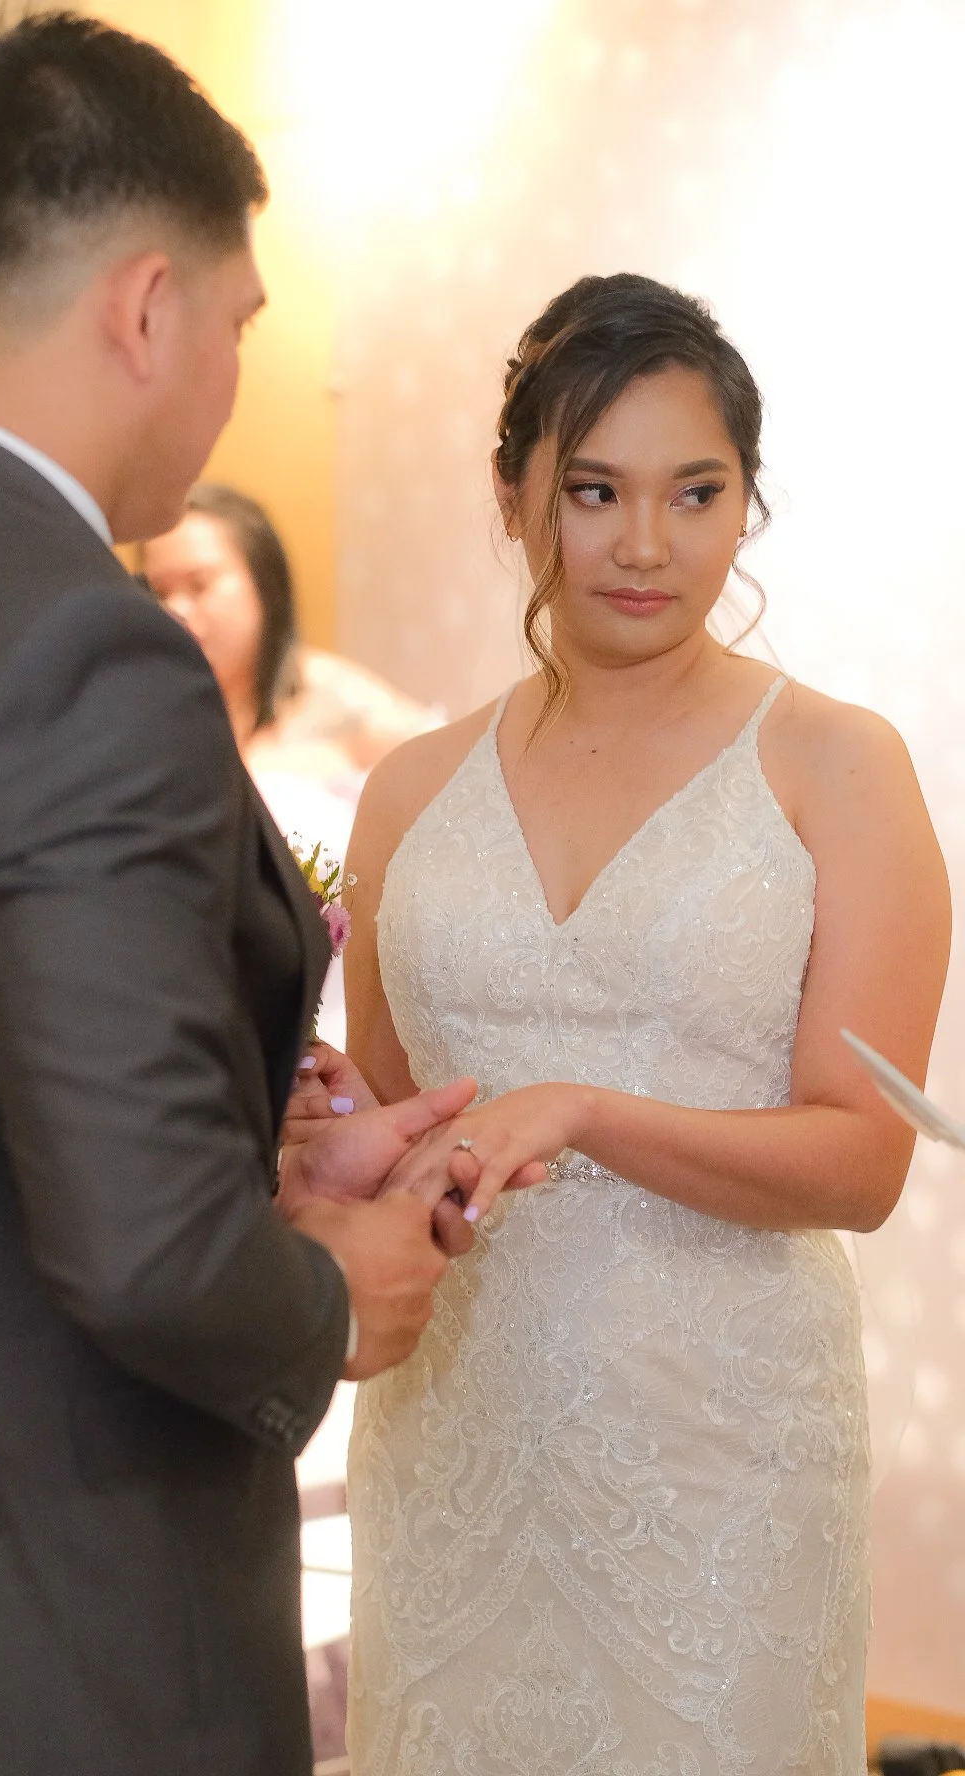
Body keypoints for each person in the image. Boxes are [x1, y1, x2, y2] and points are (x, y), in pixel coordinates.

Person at [0, 16, 499, 1776]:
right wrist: (333, 1294)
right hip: (60, 1634)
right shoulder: (87, 651)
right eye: (243, 326)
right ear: (148, 306)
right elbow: (143, 1247)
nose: (235, 374)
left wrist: (255, 1150)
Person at [330, 274, 951, 1774]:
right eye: (594, 490)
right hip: (454, 1439)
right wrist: (315, 1117)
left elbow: (863, 1163)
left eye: (696, 492)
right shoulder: (409, 789)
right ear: (513, 496)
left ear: (748, 501)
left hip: (720, 1460)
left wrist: (585, 1110)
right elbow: (400, 1129)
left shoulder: (835, 766)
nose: (646, 544)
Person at [142, 485, 441, 1048]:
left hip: (333, 1026)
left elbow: (456, 784)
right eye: (158, 591)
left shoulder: (334, 701)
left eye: (199, 586)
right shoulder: (142, 719)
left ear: (264, 582)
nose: (176, 610)